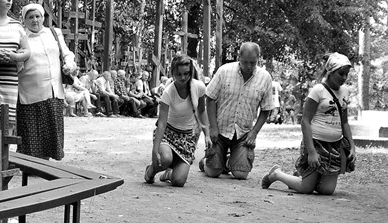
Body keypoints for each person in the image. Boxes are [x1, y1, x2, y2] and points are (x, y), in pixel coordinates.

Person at [261, 53, 356, 195]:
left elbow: (345, 122)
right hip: (316, 142)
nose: (344, 78)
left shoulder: (344, 91)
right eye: (341, 73)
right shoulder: (318, 90)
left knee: (327, 190)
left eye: (346, 74)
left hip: (335, 145)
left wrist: (352, 146)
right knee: (306, 188)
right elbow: (305, 121)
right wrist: (311, 152)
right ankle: (277, 174)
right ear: (330, 71)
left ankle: (302, 176)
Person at [202, 42, 273, 180]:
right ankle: (207, 162)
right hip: (220, 130)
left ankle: (228, 161)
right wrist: (213, 127)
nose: (248, 66)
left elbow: (266, 109)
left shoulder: (265, 78)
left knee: (241, 174)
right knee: (213, 172)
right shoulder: (224, 71)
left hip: (243, 133)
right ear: (239, 57)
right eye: (245, 62)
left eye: (252, 63)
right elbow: (210, 98)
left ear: (258, 59)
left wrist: (254, 132)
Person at [16, 3, 76, 160]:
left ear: (43, 18)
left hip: (53, 91)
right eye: (30, 17)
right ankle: (30, 166)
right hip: (30, 93)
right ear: (24, 20)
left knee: (50, 134)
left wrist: (69, 65)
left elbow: (67, 53)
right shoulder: (20, 36)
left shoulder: (54, 33)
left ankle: (46, 165)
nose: (35, 20)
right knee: (31, 135)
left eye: (38, 16)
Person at [144, 55, 210, 187]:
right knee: (165, 159)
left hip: (186, 137)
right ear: (173, 73)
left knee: (179, 181)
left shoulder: (199, 87)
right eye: (179, 74)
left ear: (191, 72)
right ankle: (151, 171)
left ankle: (169, 174)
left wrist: (207, 134)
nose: (183, 78)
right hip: (168, 133)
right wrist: (155, 150)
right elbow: (161, 123)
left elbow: (202, 112)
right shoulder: (168, 92)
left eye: (186, 74)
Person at [0, 0, 29, 129]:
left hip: (9, 80)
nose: (9, 0)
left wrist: (15, 56)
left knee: (7, 123)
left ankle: (4, 145)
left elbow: (27, 51)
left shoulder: (16, 25)